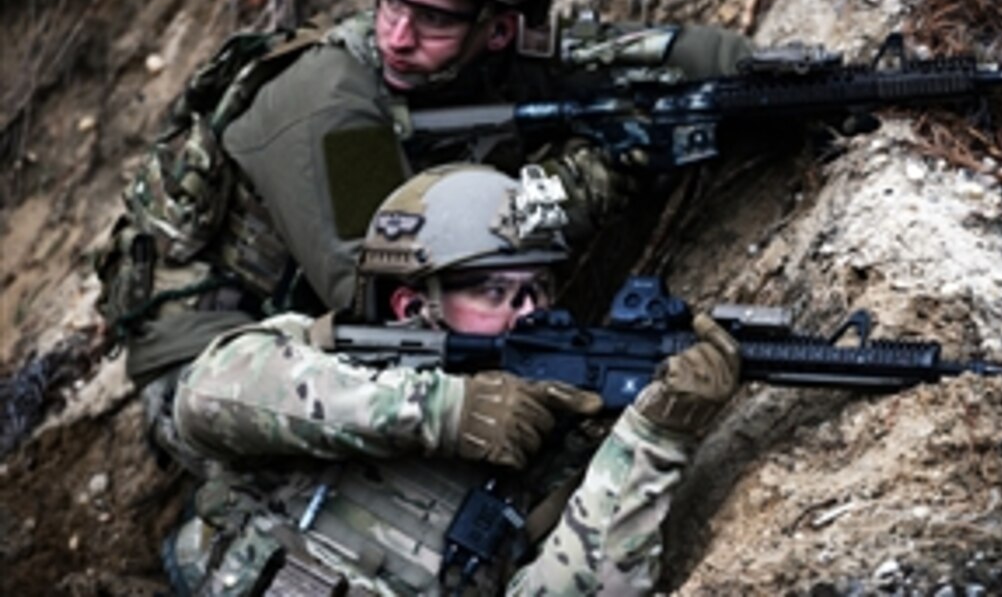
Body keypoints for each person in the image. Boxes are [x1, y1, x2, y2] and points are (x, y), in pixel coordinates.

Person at [99, 0, 751, 467]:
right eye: (391, 1)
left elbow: (622, 54)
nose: (398, 35)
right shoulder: (331, 95)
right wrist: (589, 178)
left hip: (331, 321)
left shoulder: (484, 47)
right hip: (221, 376)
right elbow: (385, 290)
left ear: (498, 29)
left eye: (432, 18)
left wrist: (754, 73)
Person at [165, 163, 742, 595]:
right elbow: (204, 396)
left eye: (538, 288)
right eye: (496, 291)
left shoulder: (557, 447)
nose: (528, 312)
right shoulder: (327, 354)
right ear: (411, 306)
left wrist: (649, 439)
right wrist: (446, 409)